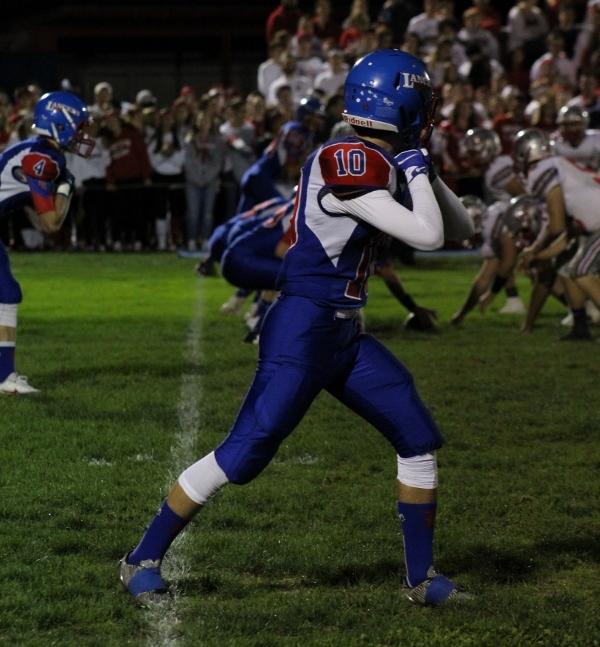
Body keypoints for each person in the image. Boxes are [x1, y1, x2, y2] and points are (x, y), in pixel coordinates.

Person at [119, 49, 473, 607]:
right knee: (247, 451)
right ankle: (141, 557)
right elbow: (427, 236)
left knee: (417, 436)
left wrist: (421, 165)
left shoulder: (382, 155)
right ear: (397, 99)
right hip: (302, 327)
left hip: (344, 334)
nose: (429, 109)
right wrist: (412, 166)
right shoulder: (346, 159)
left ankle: (421, 578)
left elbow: (461, 226)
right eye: (421, 98)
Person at [0, 91, 94, 394]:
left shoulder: (41, 152)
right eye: (79, 126)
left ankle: (4, 376)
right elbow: (52, 224)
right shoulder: (44, 160)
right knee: (7, 293)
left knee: (6, 293)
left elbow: (40, 219)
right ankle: (4, 378)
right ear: (61, 124)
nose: (82, 134)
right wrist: (66, 188)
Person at [513, 128, 600, 339]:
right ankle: (580, 326)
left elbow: (557, 225)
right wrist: (536, 252)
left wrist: (535, 253)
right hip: (592, 223)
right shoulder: (556, 166)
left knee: (580, 270)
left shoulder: (541, 170)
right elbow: (562, 229)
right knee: (565, 268)